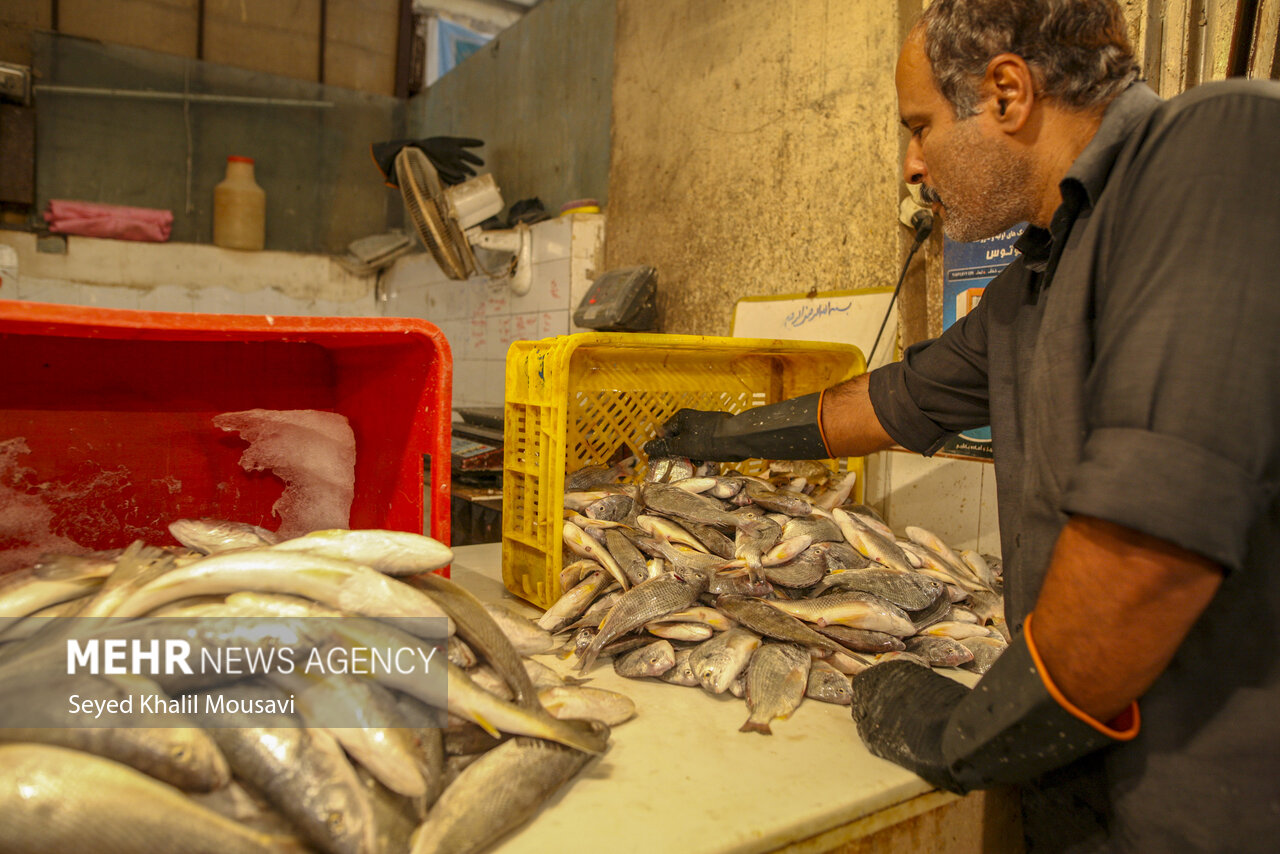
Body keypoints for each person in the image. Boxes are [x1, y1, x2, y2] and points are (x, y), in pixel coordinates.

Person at [643, 1, 1280, 850]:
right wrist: (716, 438)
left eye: (920, 127)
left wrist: (971, 735)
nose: (912, 164)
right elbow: (897, 400)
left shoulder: (1219, 147)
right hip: (1078, 794)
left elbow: (1146, 558)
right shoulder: (1032, 286)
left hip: (1212, 813)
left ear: (1006, 93)